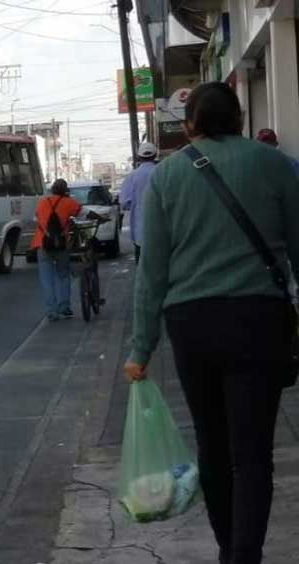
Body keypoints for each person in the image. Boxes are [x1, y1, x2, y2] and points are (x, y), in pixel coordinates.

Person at [124, 82, 299, 564]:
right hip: (257, 320)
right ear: (240, 119)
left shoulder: (167, 176)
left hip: (192, 324)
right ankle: (245, 555)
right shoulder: (275, 165)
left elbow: (151, 272)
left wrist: (141, 348)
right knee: (253, 453)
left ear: (190, 125)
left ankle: (228, 551)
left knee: (213, 446)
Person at [31, 179, 82, 321]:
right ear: (65, 191)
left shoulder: (42, 202)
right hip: (61, 244)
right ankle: (64, 308)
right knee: (63, 276)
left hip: (42, 243)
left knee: (46, 280)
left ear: (52, 189)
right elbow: (81, 212)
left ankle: (51, 312)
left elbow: (36, 218)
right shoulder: (68, 202)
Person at [118, 141, 158, 262]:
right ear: (155, 155)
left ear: (139, 157)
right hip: (163, 233)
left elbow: (124, 202)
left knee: (142, 268)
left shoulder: (132, 177)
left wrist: (136, 203)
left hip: (140, 231)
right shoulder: (163, 172)